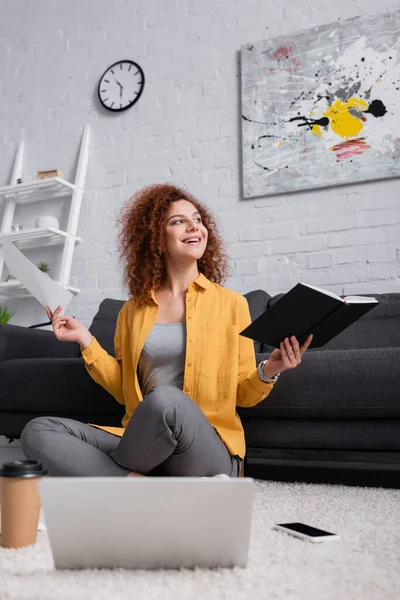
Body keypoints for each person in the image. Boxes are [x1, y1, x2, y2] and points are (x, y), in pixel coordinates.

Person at [21, 183, 312, 478]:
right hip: (144, 443)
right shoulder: (132, 311)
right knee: (38, 431)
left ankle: (114, 478)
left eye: (197, 219)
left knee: (165, 400)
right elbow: (124, 391)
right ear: (156, 238)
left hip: (207, 449)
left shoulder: (232, 304)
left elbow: (243, 394)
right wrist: (85, 339)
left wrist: (271, 368)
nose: (193, 226)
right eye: (178, 221)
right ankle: (140, 485)